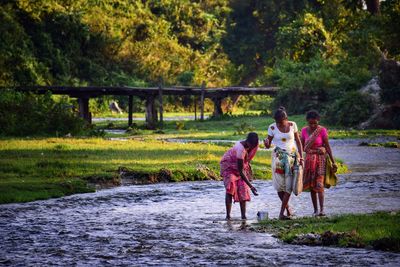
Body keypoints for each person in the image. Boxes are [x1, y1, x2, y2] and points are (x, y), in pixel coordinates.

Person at [264, 107, 303, 220]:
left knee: (289, 186)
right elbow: (268, 145)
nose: (279, 124)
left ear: (286, 119)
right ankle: (287, 210)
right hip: (279, 159)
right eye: (277, 122)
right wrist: (266, 143)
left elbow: (298, 142)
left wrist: (302, 157)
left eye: (281, 122)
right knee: (280, 187)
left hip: (292, 157)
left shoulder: (293, 125)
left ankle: (281, 213)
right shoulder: (272, 127)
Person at [301, 110, 337, 217]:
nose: (312, 125)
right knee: (312, 187)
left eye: (315, 123)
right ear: (307, 121)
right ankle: (315, 210)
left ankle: (322, 210)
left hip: (320, 161)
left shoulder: (322, 131)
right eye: (310, 123)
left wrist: (333, 162)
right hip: (309, 162)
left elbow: (327, 146)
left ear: (318, 121)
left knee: (319, 185)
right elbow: (303, 147)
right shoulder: (303, 131)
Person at [220, 132, 259, 220]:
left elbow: (245, 163)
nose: (252, 148)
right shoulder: (240, 149)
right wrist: (251, 187)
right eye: (251, 145)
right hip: (229, 166)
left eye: (253, 146)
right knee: (230, 189)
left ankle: (243, 216)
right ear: (247, 141)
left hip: (239, 166)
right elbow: (241, 172)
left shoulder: (252, 145)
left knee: (243, 189)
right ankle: (228, 216)